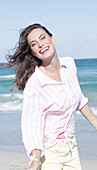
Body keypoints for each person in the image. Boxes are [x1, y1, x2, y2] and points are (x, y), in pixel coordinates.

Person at [5, 23, 97, 170]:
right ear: (33, 52)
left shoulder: (69, 65)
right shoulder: (35, 83)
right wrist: (35, 159)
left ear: (52, 38)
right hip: (50, 153)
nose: (41, 44)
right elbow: (31, 124)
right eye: (34, 44)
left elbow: (80, 100)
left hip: (72, 148)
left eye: (43, 38)